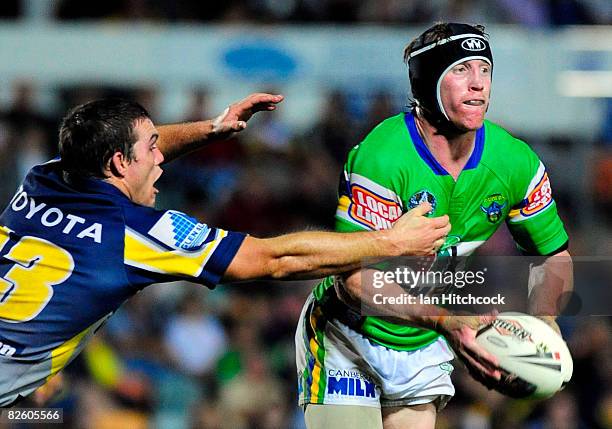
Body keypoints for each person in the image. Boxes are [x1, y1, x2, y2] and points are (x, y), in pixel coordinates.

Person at [0, 93, 452, 407]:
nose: (161, 157)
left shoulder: (45, 177)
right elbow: (273, 260)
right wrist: (389, 242)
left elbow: (122, 151)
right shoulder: (138, 235)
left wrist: (212, 130)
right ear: (119, 163)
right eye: (152, 147)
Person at [296, 23, 573, 429]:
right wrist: (447, 320)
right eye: (461, 70)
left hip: (424, 342)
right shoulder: (383, 157)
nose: (478, 84)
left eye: (484, 69)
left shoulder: (516, 162)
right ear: (427, 83)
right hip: (347, 337)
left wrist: (545, 320)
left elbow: (553, 256)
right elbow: (354, 283)